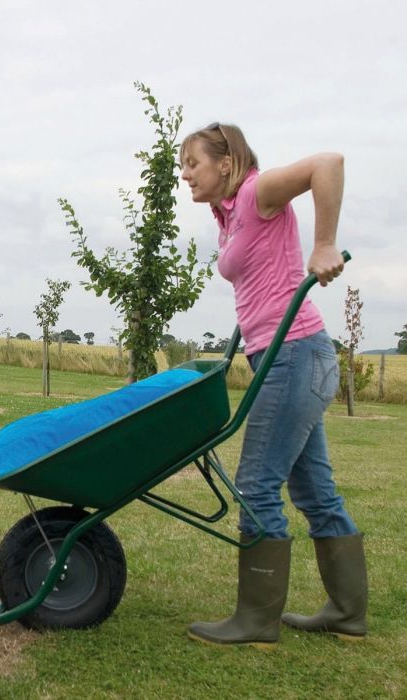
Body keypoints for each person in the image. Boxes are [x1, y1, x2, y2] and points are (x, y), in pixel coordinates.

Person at [180, 123, 367, 648]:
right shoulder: (229, 214)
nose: (185, 174)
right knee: (314, 490)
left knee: (257, 484)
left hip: (294, 355)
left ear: (225, 162)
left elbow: (327, 162)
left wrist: (324, 242)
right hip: (287, 356)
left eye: (192, 162)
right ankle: (348, 613)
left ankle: (256, 621)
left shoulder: (257, 191)